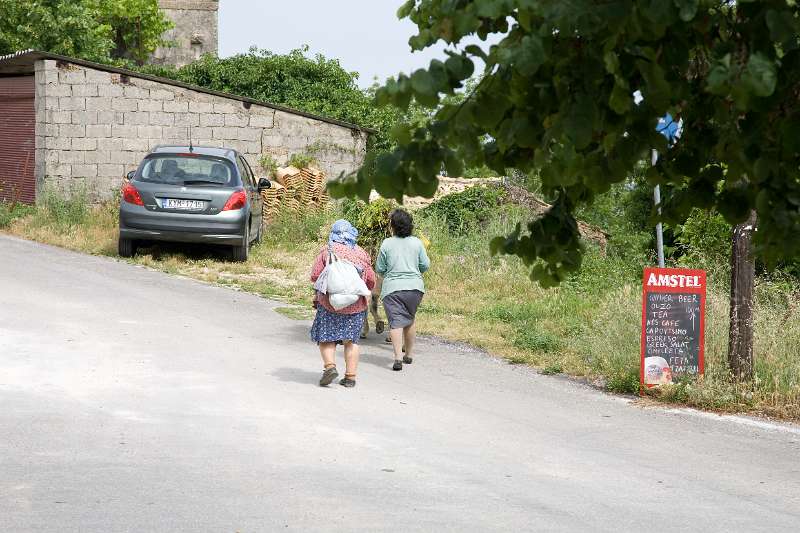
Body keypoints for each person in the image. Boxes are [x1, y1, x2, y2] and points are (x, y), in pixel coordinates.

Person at [310, 220, 376, 388]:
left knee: (326, 338)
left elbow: (316, 275)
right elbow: (370, 279)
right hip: (356, 305)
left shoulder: (327, 251)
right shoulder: (361, 253)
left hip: (329, 304)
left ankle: (330, 367)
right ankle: (350, 377)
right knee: (351, 341)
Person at [376, 209, 430, 371]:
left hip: (393, 289)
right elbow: (425, 265)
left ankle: (398, 357)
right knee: (409, 319)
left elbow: (380, 268)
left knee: (395, 323)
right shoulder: (417, 243)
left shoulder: (387, 243)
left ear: (393, 226)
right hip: (415, 288)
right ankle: (409, 354)